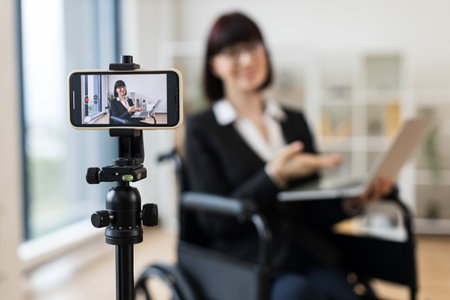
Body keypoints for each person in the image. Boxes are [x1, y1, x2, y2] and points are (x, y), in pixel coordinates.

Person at [185, 12, 395, 300]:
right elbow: (215, 223)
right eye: (233, 52)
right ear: (214, 65)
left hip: (305, 252)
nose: (246, 60)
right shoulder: (202, 129)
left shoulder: (293, 121)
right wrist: (274, 176)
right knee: (297, 294)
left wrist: (353, 201)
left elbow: (313, 209)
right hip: (248, 262)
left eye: (253, 48)